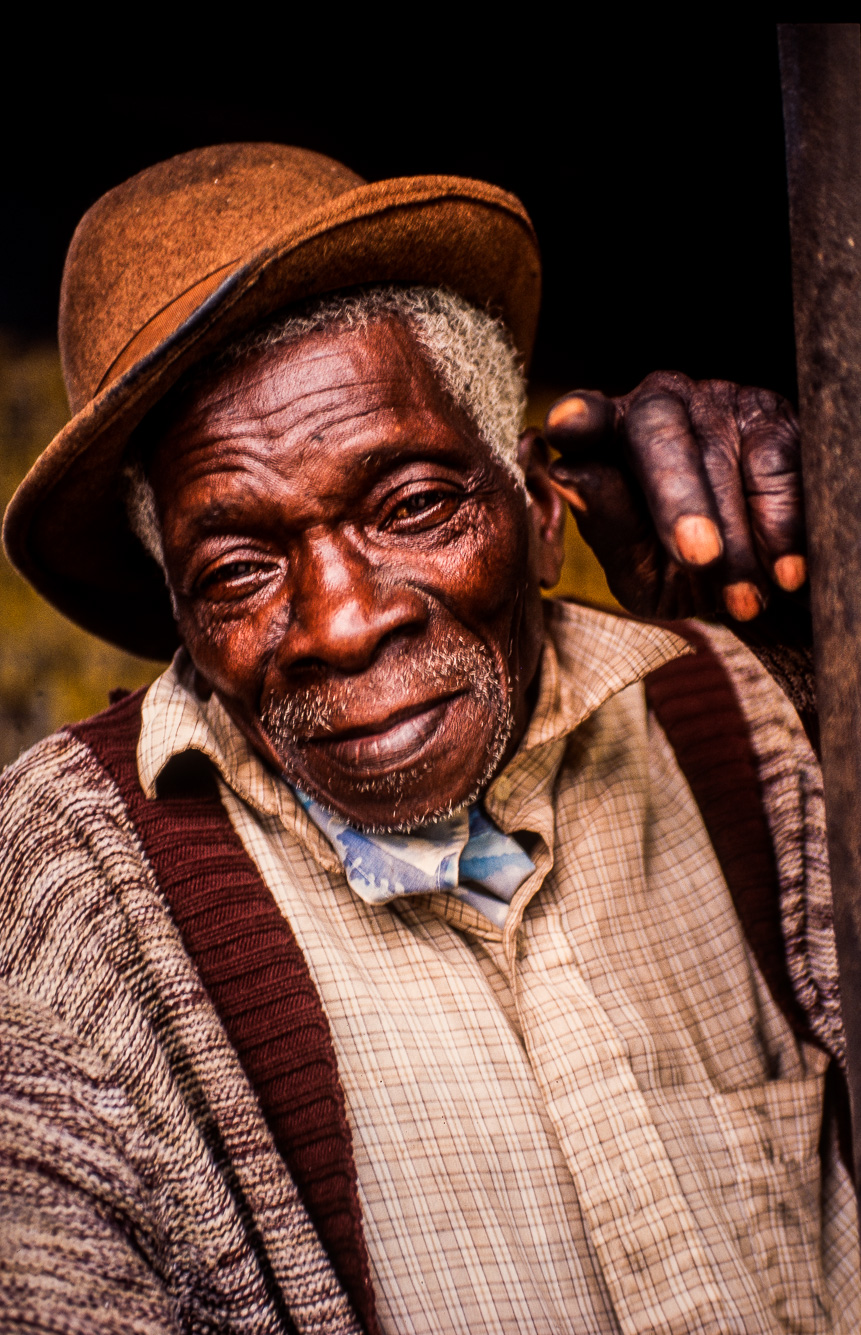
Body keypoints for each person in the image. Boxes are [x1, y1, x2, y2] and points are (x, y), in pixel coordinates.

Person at [0, 142, 854, 1335]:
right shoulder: (65, 886)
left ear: (538, 511)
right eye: (240, 569)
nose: (343, 626)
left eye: (413, 507)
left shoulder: (753, 719)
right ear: (183, 622)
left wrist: (838, 660)